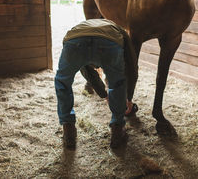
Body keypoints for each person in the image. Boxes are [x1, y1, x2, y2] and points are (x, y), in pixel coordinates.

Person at [54, 19, 138, 149]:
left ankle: (68, 130)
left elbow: (87, 71)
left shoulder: (81, 26)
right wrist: (129, 98)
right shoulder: (119, 29)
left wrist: (103, 94)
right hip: (108, 42)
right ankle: (117, 130)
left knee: (62, 82)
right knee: (117, 83)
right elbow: (132, 66)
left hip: (75, 41)